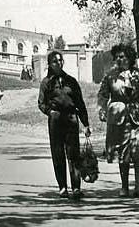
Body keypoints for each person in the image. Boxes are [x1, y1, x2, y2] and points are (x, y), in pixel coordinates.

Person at [98, 43, 139, 197]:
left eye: (122, 57)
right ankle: (124, 187)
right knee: (123, 153)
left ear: (129, 58)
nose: (119, 59)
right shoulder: (110, 76)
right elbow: (103, 95)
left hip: (137, 117)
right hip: (119, 117)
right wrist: (103, 108)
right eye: (116, 57)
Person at [38, 50, 91, 199]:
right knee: (58, 153)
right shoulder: (46, 82)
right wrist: (50, 112)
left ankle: (76, 188)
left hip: (71, 118)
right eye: (55, 61)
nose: (58, 63)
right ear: (49, 64)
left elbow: (80, 103)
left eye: (60, 60)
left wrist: (85, 124)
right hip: (55, 120)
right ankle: (62, 187)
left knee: (73, 153)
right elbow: (41, 103)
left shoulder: (71, 81)